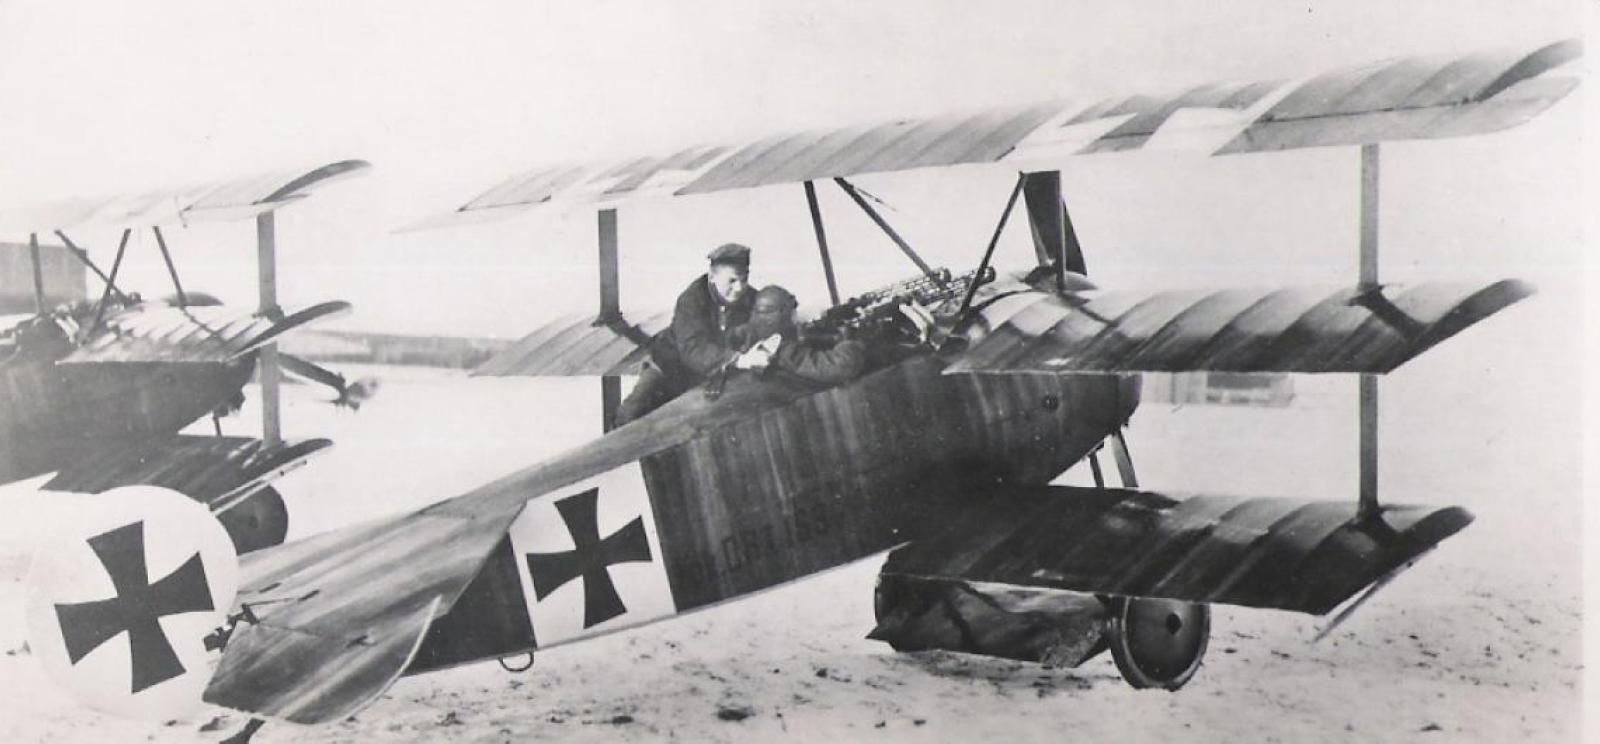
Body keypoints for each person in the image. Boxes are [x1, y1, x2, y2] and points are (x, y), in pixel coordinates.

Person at [614, 243, 756, 426]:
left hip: (711, 373)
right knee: (630, 414)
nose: (739, 288)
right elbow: (693, 350)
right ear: (712, 277)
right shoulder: (691, 300)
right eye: (732, 281)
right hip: (669, 366)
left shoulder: (752, 299)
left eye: (744, 280)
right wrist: (737, 359)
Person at [726, 285, 866, 387]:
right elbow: (840, 367)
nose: (796, 319)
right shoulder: (782, 351)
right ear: (779, 317)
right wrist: (849, 341)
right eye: (792, 314)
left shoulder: (754, 342)